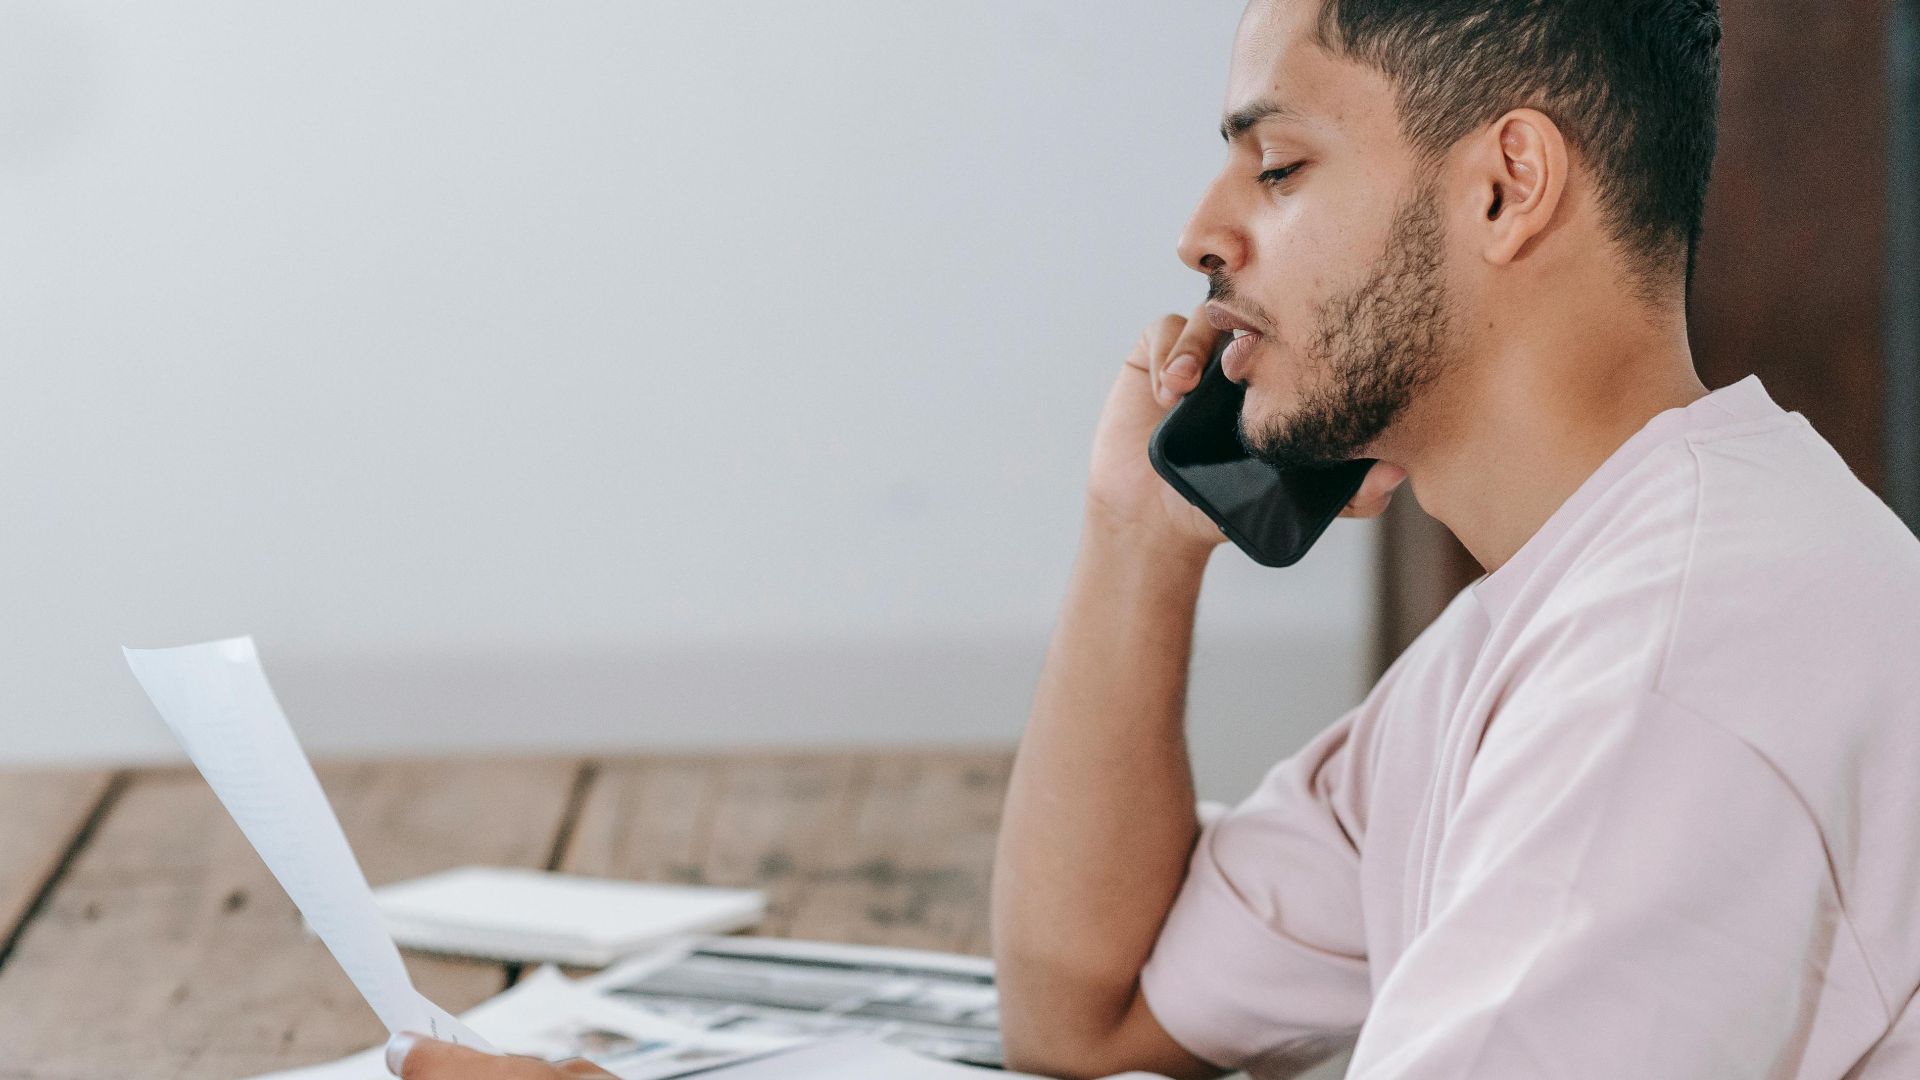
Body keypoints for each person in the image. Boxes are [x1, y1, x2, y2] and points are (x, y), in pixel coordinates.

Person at [989, 0, 1920, 1078]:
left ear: (1506, 187)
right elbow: (1087, 1026)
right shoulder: (1546, 625)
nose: (1200, 234)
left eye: (1279, 166)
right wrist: (1138, 538)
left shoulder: (1669, 677)